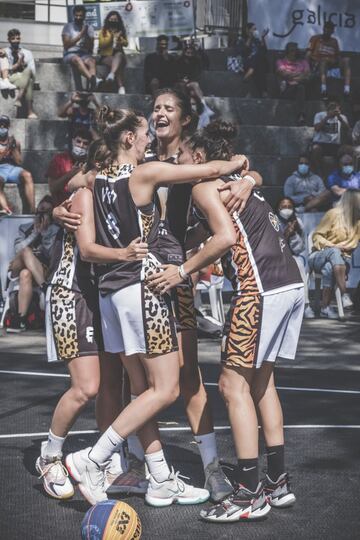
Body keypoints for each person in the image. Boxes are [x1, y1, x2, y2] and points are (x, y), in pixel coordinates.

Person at [64, 107, 246, 507]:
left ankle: (160, 476)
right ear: (129, 138)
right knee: (167, 388)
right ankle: (92, 457)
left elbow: (69, 185)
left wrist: (60, 208)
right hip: (141, 288)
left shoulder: (95, 179)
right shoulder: (143, 174)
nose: (148, 138)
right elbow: (204, 170)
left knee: (143, 389)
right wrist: (238, 164)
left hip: (111, 295)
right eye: (143, 131)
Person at [147, 121, 304, 522]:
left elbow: (224, 240)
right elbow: (228, 228)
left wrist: (181, 270)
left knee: (233, 385)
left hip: (260, 288)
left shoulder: (204, 186)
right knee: (262, 380)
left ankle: (249, 493)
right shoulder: (238, 180)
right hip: (289, 282)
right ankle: (276, 481)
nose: (177, 162)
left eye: (182, 155)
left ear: (199, 158)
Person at [35, 174, 150, 499]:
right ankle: (50, 455)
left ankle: (111, 464)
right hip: (72, 292)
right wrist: (59, 207)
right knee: (87, 386)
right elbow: (72, 186)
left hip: (105, 293)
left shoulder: (128, 185)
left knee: (114, 383)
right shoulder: (90, 189)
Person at [6, 195, 57, 332]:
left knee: (25, 274)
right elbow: (17, 249)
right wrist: (35, 233)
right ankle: (45, 288)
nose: (42, 216)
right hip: (18, 264)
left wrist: (46, 233)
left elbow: (52, 255)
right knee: (25, 251)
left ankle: (20, 319)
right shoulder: (25, 228)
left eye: (46, 212)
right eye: (40, 212)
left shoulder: (56, 230)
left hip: (42, 269)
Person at [308, 189, 360, 318]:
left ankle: (325, 307)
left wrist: (341, 248)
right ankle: (344, 294)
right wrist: (334, 246)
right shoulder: (333, 214)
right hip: (318, 255)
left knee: (329, 268)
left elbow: (353, 244)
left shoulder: (357, 221)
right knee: (334, 252)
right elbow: (317, 236)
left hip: (340, 262)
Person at [277, 197, 314, 318]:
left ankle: (306, 305)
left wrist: (292, 235)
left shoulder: (297, 221)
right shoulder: (273, 220)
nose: (286, 210)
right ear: (278, 208)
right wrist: (285, 235)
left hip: (293, 256)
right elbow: (273, 244)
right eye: (283, 207)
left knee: (298, 265)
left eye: (289, 207)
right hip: (276, 256)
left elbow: (300, 248)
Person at [47, 127, 92, 206]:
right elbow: (52, 188)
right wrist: (71, 173)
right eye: (78, 141)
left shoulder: (91, 163)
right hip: (61, 205)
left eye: (85, 143)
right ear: (72, 141)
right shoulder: (59, 159)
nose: (81, 146)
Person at [0, 114, 35, 214]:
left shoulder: (15, 142)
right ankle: (6, 209)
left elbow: (19, 161)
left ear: (8, 127)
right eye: (0, 125)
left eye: (5, 125)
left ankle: (33, 210)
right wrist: (7, 149)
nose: (2, 127)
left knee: (27, 175)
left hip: (12, 169)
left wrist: (14, 147)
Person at [306, 21, 351, 97]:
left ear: (333, 31)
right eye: (326, 28)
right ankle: (323, 87)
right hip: (319, 64)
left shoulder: (334, 41)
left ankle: (347, 88)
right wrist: (307, 69)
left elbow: (338, 56)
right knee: (324, 60)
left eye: (330, 28)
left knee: (347, 60)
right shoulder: (315, 38)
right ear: (323, 28)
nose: (328, 30)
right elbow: (308, 54)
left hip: (332, 64)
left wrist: (339, 64)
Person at [62, 4, 100, 91]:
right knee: (77, 59)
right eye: (76, 15)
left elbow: (90, 48)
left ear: (84, 16)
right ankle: (94, 80)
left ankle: (92, 88)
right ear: (73, 15)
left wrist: (86, 36)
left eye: (80, 16)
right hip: (70, 53)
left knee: (92, 61)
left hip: (84, 53)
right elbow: (66, 45)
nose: (78, 18)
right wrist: (80, 35)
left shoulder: (89, 28)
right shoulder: (68, 26)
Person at [310, 98, 351, 177]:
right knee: (315, 149)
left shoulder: (342, 117)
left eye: (336, 106)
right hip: (321, 143)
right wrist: (327, 117)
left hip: (335, 145)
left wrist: (340, 118)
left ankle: (346, 175)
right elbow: (317, 128)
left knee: (349, 149)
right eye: (331, 106)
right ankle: (319, 175)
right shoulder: (319, 115)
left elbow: (348, 130)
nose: (334, 108)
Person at [5, 28, 37, 118]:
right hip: (12, 77)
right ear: (8, 40)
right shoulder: (5, 52)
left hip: (24, 76)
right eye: (13, 39)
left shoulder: (27, 53)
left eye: (18, 38)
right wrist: (17, 64)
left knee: (28, 74)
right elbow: (5, 71)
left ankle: (19, 97)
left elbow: (32, 71)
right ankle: (30, 111)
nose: (16, 41)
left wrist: (23, 65)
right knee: (29, 82)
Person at [276, 42, 310, 125]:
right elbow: (284, 74)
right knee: (300, 86)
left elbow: (307, 75)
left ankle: (301, 115)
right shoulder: (280, 62)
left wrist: (293, 76)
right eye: (291, 50)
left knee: (301, 87)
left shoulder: (303, 62)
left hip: (300, 87)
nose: (293, 53)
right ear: (287, 51)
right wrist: (299, 74)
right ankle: (301, 115)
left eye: (295, 50)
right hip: (287, 89)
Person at [234, 23, 269, 97]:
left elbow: (264, 51)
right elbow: (242, 52)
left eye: (256, 29)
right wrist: (249, 38)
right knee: (259, 64)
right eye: (253, 29)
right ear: (247, 30)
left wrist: (262, 38)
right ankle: (264, 91)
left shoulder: (256, 40)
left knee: (259, 58)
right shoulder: (241, 40)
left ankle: (251, 71)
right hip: (247, 62)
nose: (255, 31)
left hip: (256, 64)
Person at [98, 10, 127, 94]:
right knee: (116, 65)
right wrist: (111, 37)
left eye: (115, 20)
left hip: (119, 55)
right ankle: (121, 87)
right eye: (111, 19)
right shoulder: (103, 31)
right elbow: (102, 45)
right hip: (106, 56)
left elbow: (126, 43)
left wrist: (120, 39)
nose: (113, 21)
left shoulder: (121, 31)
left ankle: (111, 74)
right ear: (108, 20)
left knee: (119, 55)